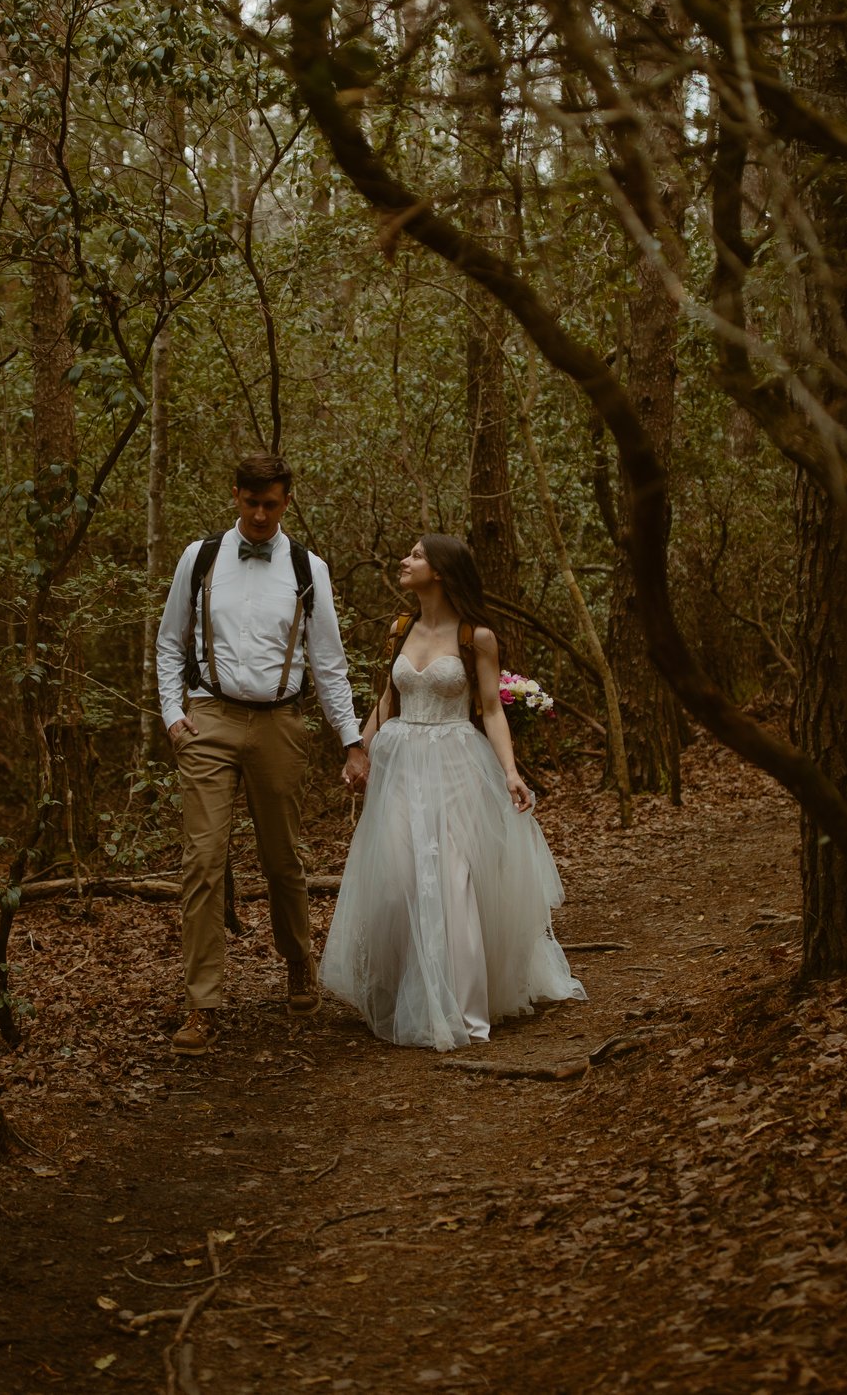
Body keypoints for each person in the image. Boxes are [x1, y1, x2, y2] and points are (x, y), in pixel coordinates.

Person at [320, 535, 586, 1050]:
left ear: (441, 571)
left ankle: (461, 1008)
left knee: (452, 881)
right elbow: (388, 697)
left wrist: (510, 771)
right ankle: (404, 993)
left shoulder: (476, 636)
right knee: (397, 879)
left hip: (456, 763)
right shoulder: (400, 629)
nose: (405, 560)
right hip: (399, 761)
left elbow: (491, 709)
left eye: (417, 555)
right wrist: (360, 750)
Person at [153, 452, 370, 1056]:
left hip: (280, 723)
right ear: (235, 495)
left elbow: (327, 660)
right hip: (209, 720)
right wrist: (174, 714)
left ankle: (297, 961)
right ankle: (201, 1002)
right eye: (251, 502)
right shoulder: (199, 559)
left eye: (271, 504)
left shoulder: (308, 567)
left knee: (283, 859)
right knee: (202, 860)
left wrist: (351, 738)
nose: (260, 514)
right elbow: (171, 642)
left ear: (286, 502)